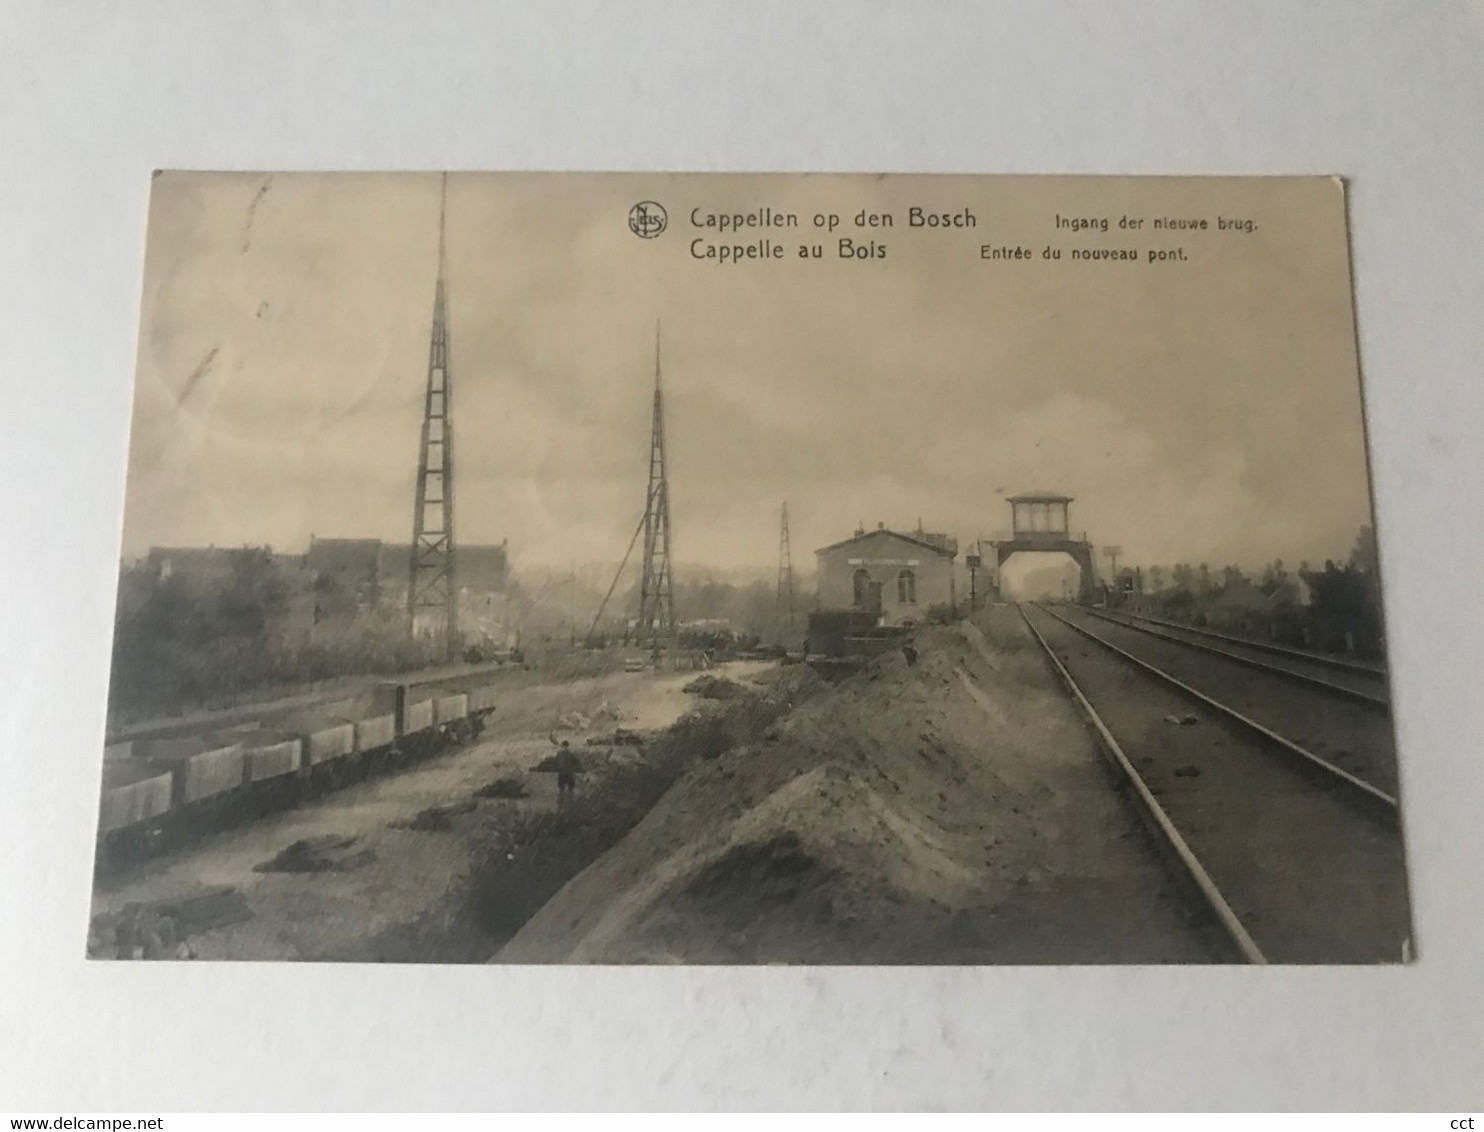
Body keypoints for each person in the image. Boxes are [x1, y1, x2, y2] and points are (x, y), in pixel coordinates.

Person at [548, 734, 580, 805]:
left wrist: (555, 768)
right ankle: (570, 801)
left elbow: (555, 762)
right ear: (568, 746)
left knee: (562, 788)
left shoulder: (559, 753)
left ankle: (561, 801)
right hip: (569, 773)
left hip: (562, 773)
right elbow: (576, 762)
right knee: (570, 788)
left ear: (563, 745)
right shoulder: (571, 753)